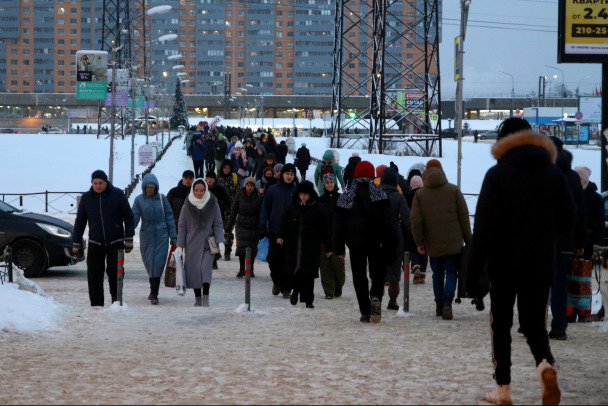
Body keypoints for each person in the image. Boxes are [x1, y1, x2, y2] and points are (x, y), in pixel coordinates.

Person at [466, 117, 576, 405]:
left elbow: (484, 229)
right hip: (541, 264)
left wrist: (473, 272)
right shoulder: (553, 174)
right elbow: (569, 220)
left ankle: (503, 389)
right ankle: (544, 366)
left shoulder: (497, 174)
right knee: (534, 324)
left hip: (504, 265)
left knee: (500, 324)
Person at [335, 161, 400, 323]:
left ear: (355, 175)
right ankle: (376, 295)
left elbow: (338, 225)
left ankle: (365, 311)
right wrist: (392, 245)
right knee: (377, 273)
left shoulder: (348, 195)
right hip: (376, 242)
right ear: (373, 176)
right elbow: (390, 222)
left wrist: (339, 248)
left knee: (359, 276)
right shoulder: (380, 194)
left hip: (355, 243)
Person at [410, 159, 472, 320]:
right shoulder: (454, 190)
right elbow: (464, 218)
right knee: (452, 272)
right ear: (442, 170)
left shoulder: (420, 194)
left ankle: (438, 305)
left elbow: (416, 221)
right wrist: (469, 240)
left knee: (437, 274)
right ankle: (447, 302)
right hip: (453, 243)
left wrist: (419, 243)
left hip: (432, 243)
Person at [73, 170, 135, 307]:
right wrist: (76, 242)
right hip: (95, 243)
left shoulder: (118, 194)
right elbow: (80, 221)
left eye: (100, 183)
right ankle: (96, 306)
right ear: (91, 183)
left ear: (106, 182)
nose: (98, 186)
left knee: (115, 275)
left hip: (116, 243)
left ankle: (117, 303)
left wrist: (129, 237)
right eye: (95, 183)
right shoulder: (87, 198)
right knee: (94, 276)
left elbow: (129, 216)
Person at [549, 136, 586, 341]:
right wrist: (579, 242)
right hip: (564, 240)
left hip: (540, 239)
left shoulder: (540, 173)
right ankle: (559, 326)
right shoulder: (572, 177)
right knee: (559, 282)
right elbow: (579, 212)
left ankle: (532, 323)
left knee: (536, 282)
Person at [278, 180, 333, 309]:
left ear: (310, 194)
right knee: (295, 272)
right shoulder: (293, 207)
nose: (303, 197)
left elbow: (326, 228)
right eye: (301, 194)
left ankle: (309, 300)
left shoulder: (319, 208)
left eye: (305, 194)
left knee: (308, 274)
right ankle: (296, 291)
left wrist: (329, 247)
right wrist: (280, 235)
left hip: (311, 246)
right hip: (294, 245)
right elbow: (283, 222)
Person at [176, 178, 225, 307]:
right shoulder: (187, 205)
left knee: (205, 269)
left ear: (206, 190)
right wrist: (180, 245)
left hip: (208, 244)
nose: (199, 193)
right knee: (194, 271)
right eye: (196, 190)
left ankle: (206, 297)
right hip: (192, 244)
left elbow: (218, 224)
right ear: (192, 190)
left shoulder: (212, 203)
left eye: (202, 190)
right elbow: (182, 226)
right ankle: (198, 298)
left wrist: (221, 241)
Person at [132, 174, 177, 305]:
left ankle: (154, 293)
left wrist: (173, 236)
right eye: (147, 187)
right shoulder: (139, 200)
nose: (149, 189)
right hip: (146, 235)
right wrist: (127, 231)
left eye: (152, 187)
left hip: (162, 235)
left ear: (156, 187)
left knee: (158, 263)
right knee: (149, 262)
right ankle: (153, 289)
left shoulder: (162, 199)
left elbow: (169, 217)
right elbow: (134, 217)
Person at [259, 163, 298, 298]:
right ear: (282, 175)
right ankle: (277, 281)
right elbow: (265, 208)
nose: (289, 176)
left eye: (292, 174)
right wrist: (263, 224)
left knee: (289, 262)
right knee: (274, 260)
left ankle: (286, 288)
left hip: (291, 233)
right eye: (287, 174)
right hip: (274, 231)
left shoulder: (297, 191)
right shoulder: (272, 190)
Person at [379, 167, 410, 311]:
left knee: (377, 269)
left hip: (377, 233)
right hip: (394, 234)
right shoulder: (398, 196)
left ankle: (376, 298)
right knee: (394, 271)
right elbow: (407, 218)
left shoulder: (375, 193)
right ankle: (392, 301)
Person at [226, 177, 262, 278]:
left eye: (252, 186)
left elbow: (260, 213)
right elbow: (234, 211)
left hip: (254, 225)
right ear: (245, 185)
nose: (250, 188)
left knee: (252, 248)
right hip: (241, 224)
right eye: (248, 185)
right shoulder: (239, 195)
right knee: (242, 248)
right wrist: (229, 225)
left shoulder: (258, 197)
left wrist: (261, 227)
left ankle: (250, 269)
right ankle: (242, 269)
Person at [318, 173, 345, 299]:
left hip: (338, 236)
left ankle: (338, 286)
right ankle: (329, 291)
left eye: (331, 182)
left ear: (335, 184)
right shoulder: (320, 200)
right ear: (324, 184)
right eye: (327, 183)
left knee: (337, 264)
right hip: (323, 237)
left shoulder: (341, 198)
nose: (329, 185)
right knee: (325, 265)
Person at [574, 166, 604, 260]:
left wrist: (597, 245)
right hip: (574, 240)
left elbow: (600, 222)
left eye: (578, 177)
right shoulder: (573, 193)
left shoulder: (596, 198)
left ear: (584, 179)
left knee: (584, 270)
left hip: (588, 241)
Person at [405, 175, 428, 284]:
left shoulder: (408, 195)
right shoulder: (425, 195)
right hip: (424, 227)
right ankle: (422, 275)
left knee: (413, 248)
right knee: (424, 250)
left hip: (412, 227)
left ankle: (415, 266)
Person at [217, 159, 240, 261]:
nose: (226, 170)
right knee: (216, 230)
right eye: (225, 168)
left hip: (230, 208)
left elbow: (238, 193)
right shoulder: (217, 178)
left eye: (228, 168)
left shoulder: (234, 178)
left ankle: (227, 250)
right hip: (218, 209)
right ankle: (216, 252)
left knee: (228, 231)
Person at [166, 170, 194, 234]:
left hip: (192, 226)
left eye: (190, 178)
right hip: (176, 225)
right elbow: (166, 209)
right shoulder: (173, 192)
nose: (188, 180)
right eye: (186, 178)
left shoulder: (197, 192)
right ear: (182, 179)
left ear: (193, 179)